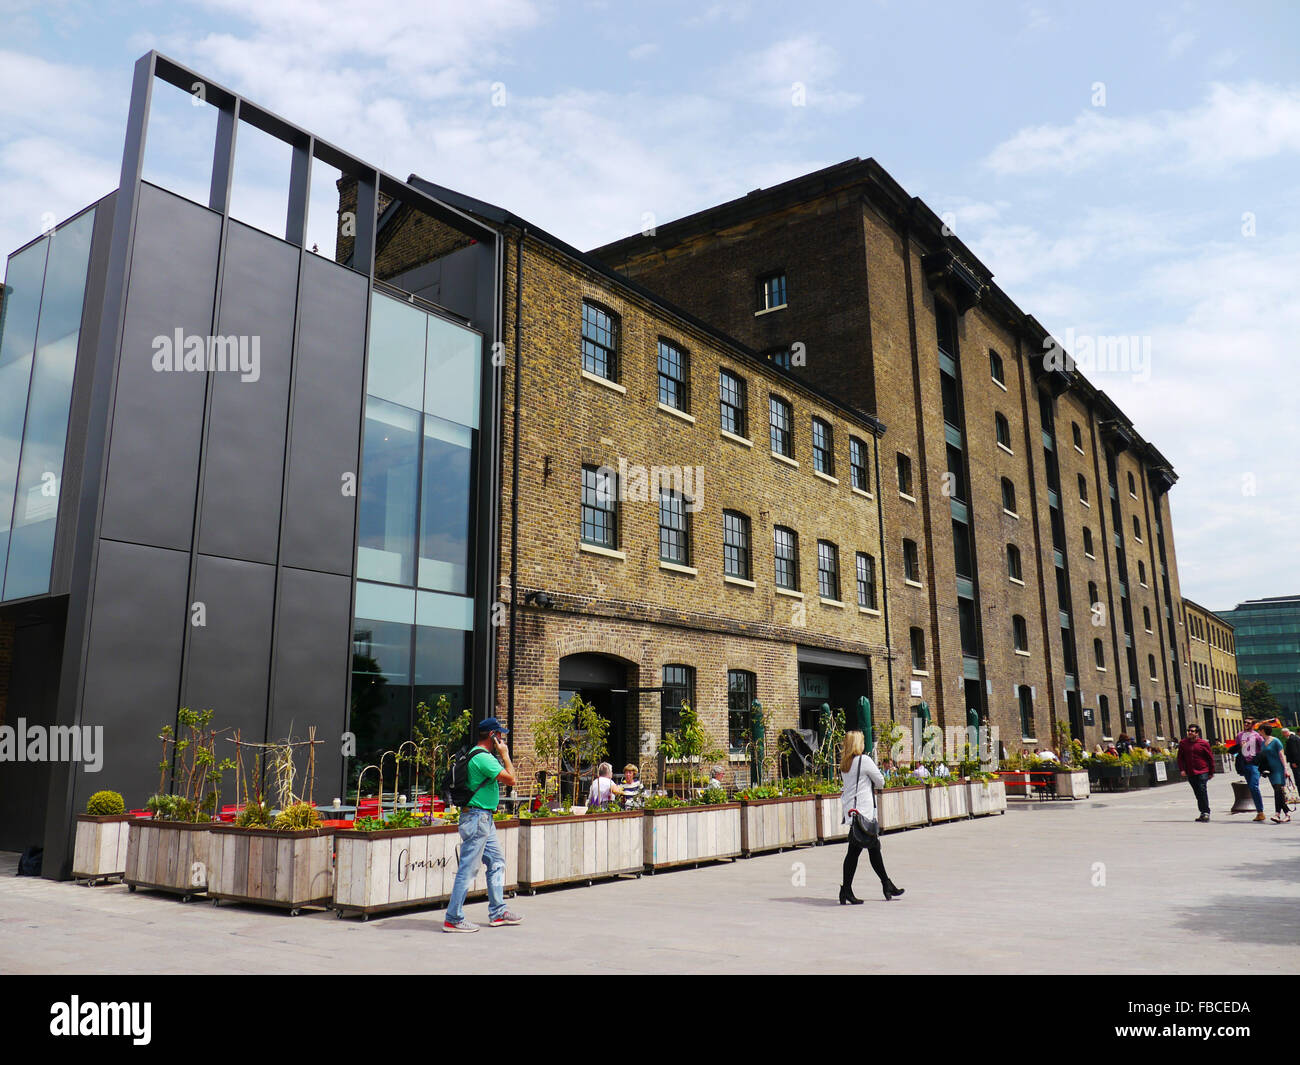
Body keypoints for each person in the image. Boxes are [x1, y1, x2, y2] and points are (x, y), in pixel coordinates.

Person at [444, 717, 523, 933]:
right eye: (500, 735)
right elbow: (511, 779)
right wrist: (506, 755)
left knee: (497, 861)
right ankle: (453, 918)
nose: (502, 739)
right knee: (468, 870)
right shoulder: (484, 758)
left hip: (484, 819)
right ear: (492, 736)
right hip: (478, 819)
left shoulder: (476, 755)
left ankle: (498, 911)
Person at [838, 731, 902, 904]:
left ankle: (884, 884)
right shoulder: (864, 761)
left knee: (867, 849)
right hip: (864, 814)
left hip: (853, 812)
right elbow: (881, 781)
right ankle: (848, 890)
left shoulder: (845, 764)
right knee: (859, 851)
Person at [1176, 723, 1214, 822]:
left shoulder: (1204, 743)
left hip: (1202, 770)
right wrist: (1182, 770)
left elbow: (1210, 758)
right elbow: (1180, 758)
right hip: (1190, 771)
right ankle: (1202, 812)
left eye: (1192, 731)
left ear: (1197, 733)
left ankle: (1206, 812)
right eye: (1189, 731)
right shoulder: (1183, 743)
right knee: (1197, 792)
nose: (1189, 732)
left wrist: (1211, 772)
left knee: (1202, 790)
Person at [1259, 724, 1291, 824]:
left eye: (1260, 730)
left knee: (1277, 790)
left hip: (1278, 769)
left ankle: (1277, 814)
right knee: (1279, 793)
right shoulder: (1263, 743)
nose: (1259, 732)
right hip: (1269, 770)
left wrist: (1286, 769)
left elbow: (1282, 755)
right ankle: (1287, 814)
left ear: (1263, 730)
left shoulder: (1276, 741)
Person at [1235, 718, 1266, 822]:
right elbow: (1238, 747)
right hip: (1245, 764)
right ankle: (1259, 813)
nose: (1245, 724)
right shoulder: (1239, 735)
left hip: (1254, 764)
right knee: (1251, 787)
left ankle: (1260, 811)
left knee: (1253, 786)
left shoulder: (1256, 735)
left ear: (1253, 725)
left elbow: (1263, 747)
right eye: (1245, 722)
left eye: (1248, 723)